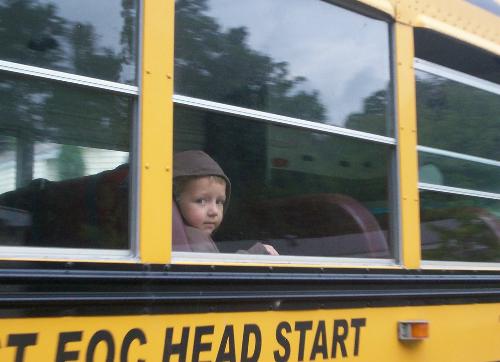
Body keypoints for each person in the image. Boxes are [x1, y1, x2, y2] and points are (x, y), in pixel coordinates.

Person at [173, 150, 278, 255]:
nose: (214, 211)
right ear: (176, 201)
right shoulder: (194, 239)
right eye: (201, 201)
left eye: (219, 202)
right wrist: (257, 253)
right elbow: (215, 270)